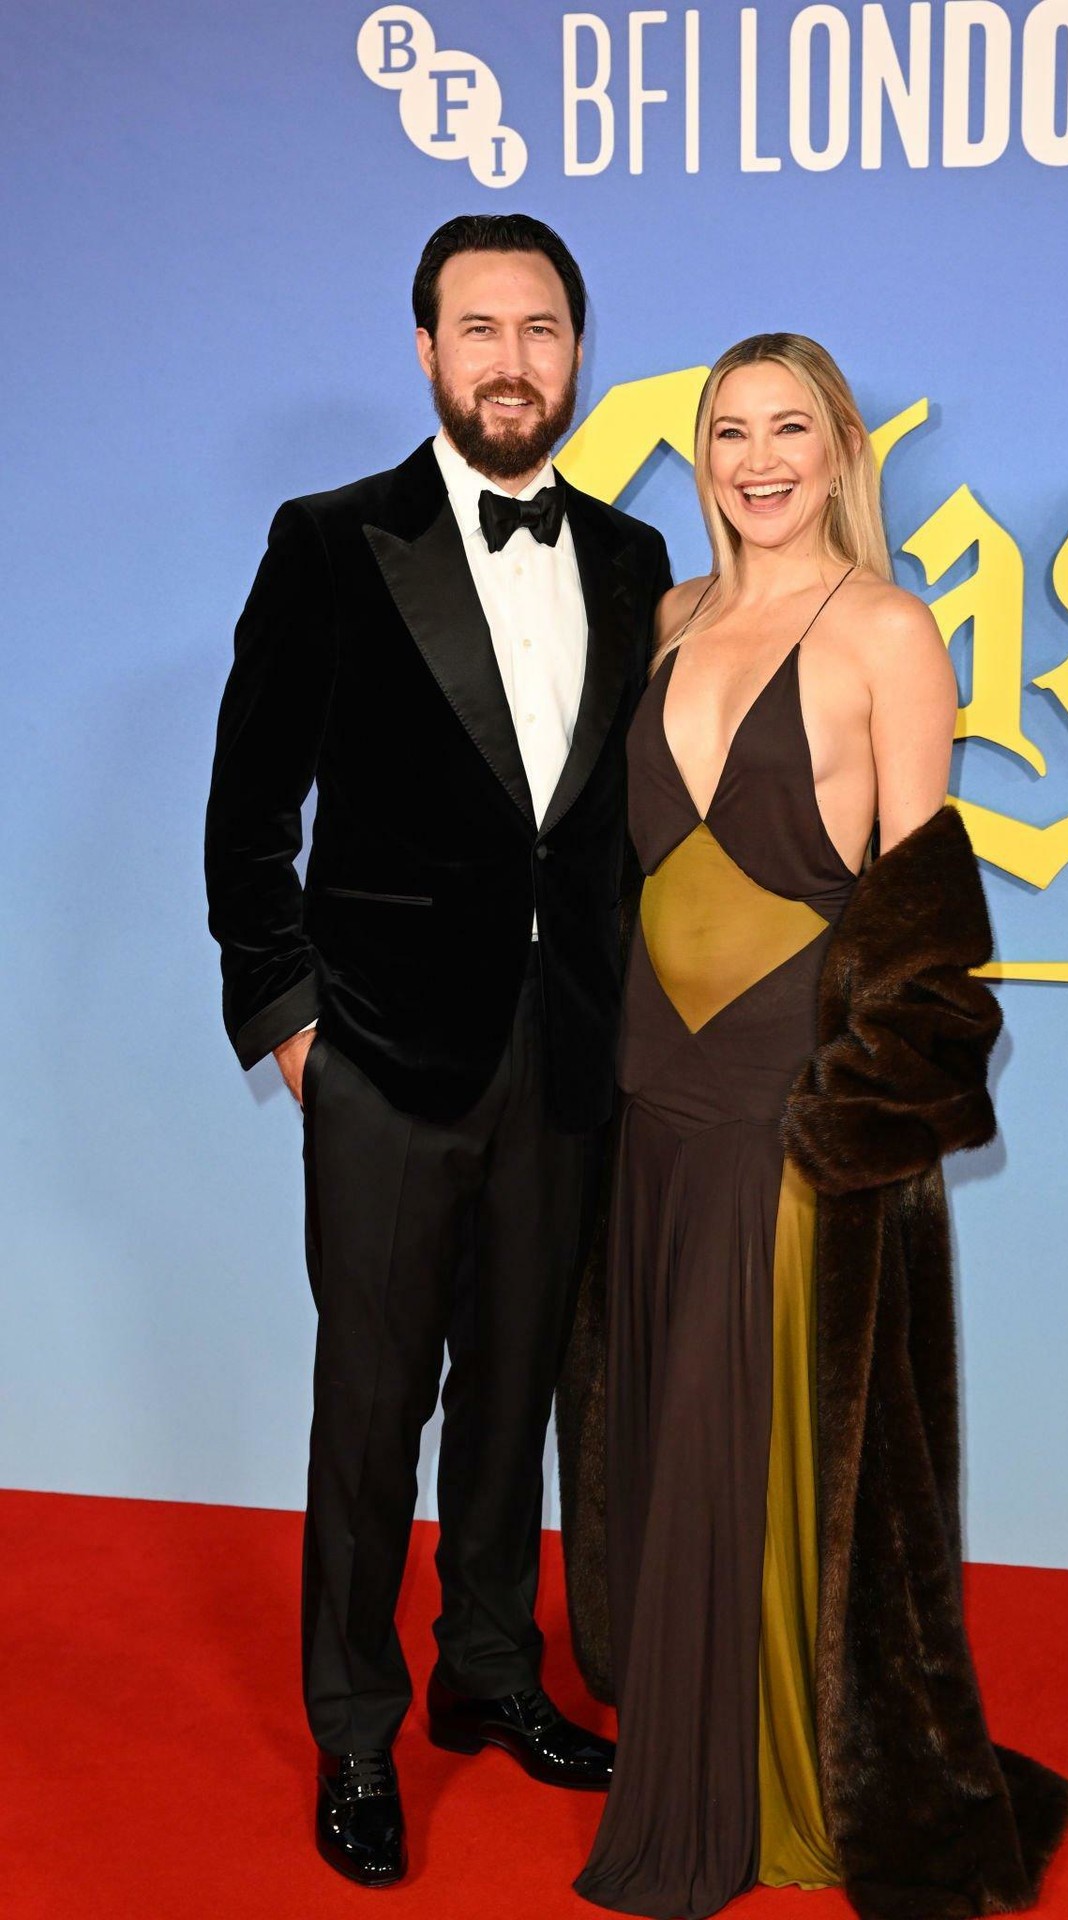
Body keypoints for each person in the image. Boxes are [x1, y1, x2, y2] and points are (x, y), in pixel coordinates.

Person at [561, 334, 1068, 1918]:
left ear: (842, 447)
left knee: (752, 1438)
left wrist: (856, 1123)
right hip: (647, 1101)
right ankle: (693, 1745)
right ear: (698, 457)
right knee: (659, 1442)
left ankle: (743, 1796)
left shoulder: (886, 630)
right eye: (728, 431)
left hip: (784, 1108)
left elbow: (923, 918)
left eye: (789, 428)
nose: (757, 459)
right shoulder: (665, 620)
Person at [204, 212, 671, 1890]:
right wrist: (292, 1026)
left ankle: (488, 1670)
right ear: (425, 350)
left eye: (539, 329)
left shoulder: (629, 557)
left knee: (514, 1390)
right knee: (372, 1407)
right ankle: (354, 1729)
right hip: (385, 1060)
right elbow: (248, 810)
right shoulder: (332, 542)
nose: (511, 362)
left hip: (564, 1056)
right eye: (479, 329)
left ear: (576, 350)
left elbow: (616, 829)